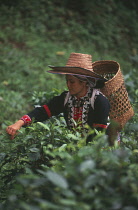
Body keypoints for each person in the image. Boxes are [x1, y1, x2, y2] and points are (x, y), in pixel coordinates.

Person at [6, 53, 110, 142]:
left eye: (72, 82)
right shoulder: (66, 98)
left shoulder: (99, 101)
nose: (68, 85)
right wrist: (19, 123)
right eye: (67, 81)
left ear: (84, 83)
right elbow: (43, 112)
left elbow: (99, 135)